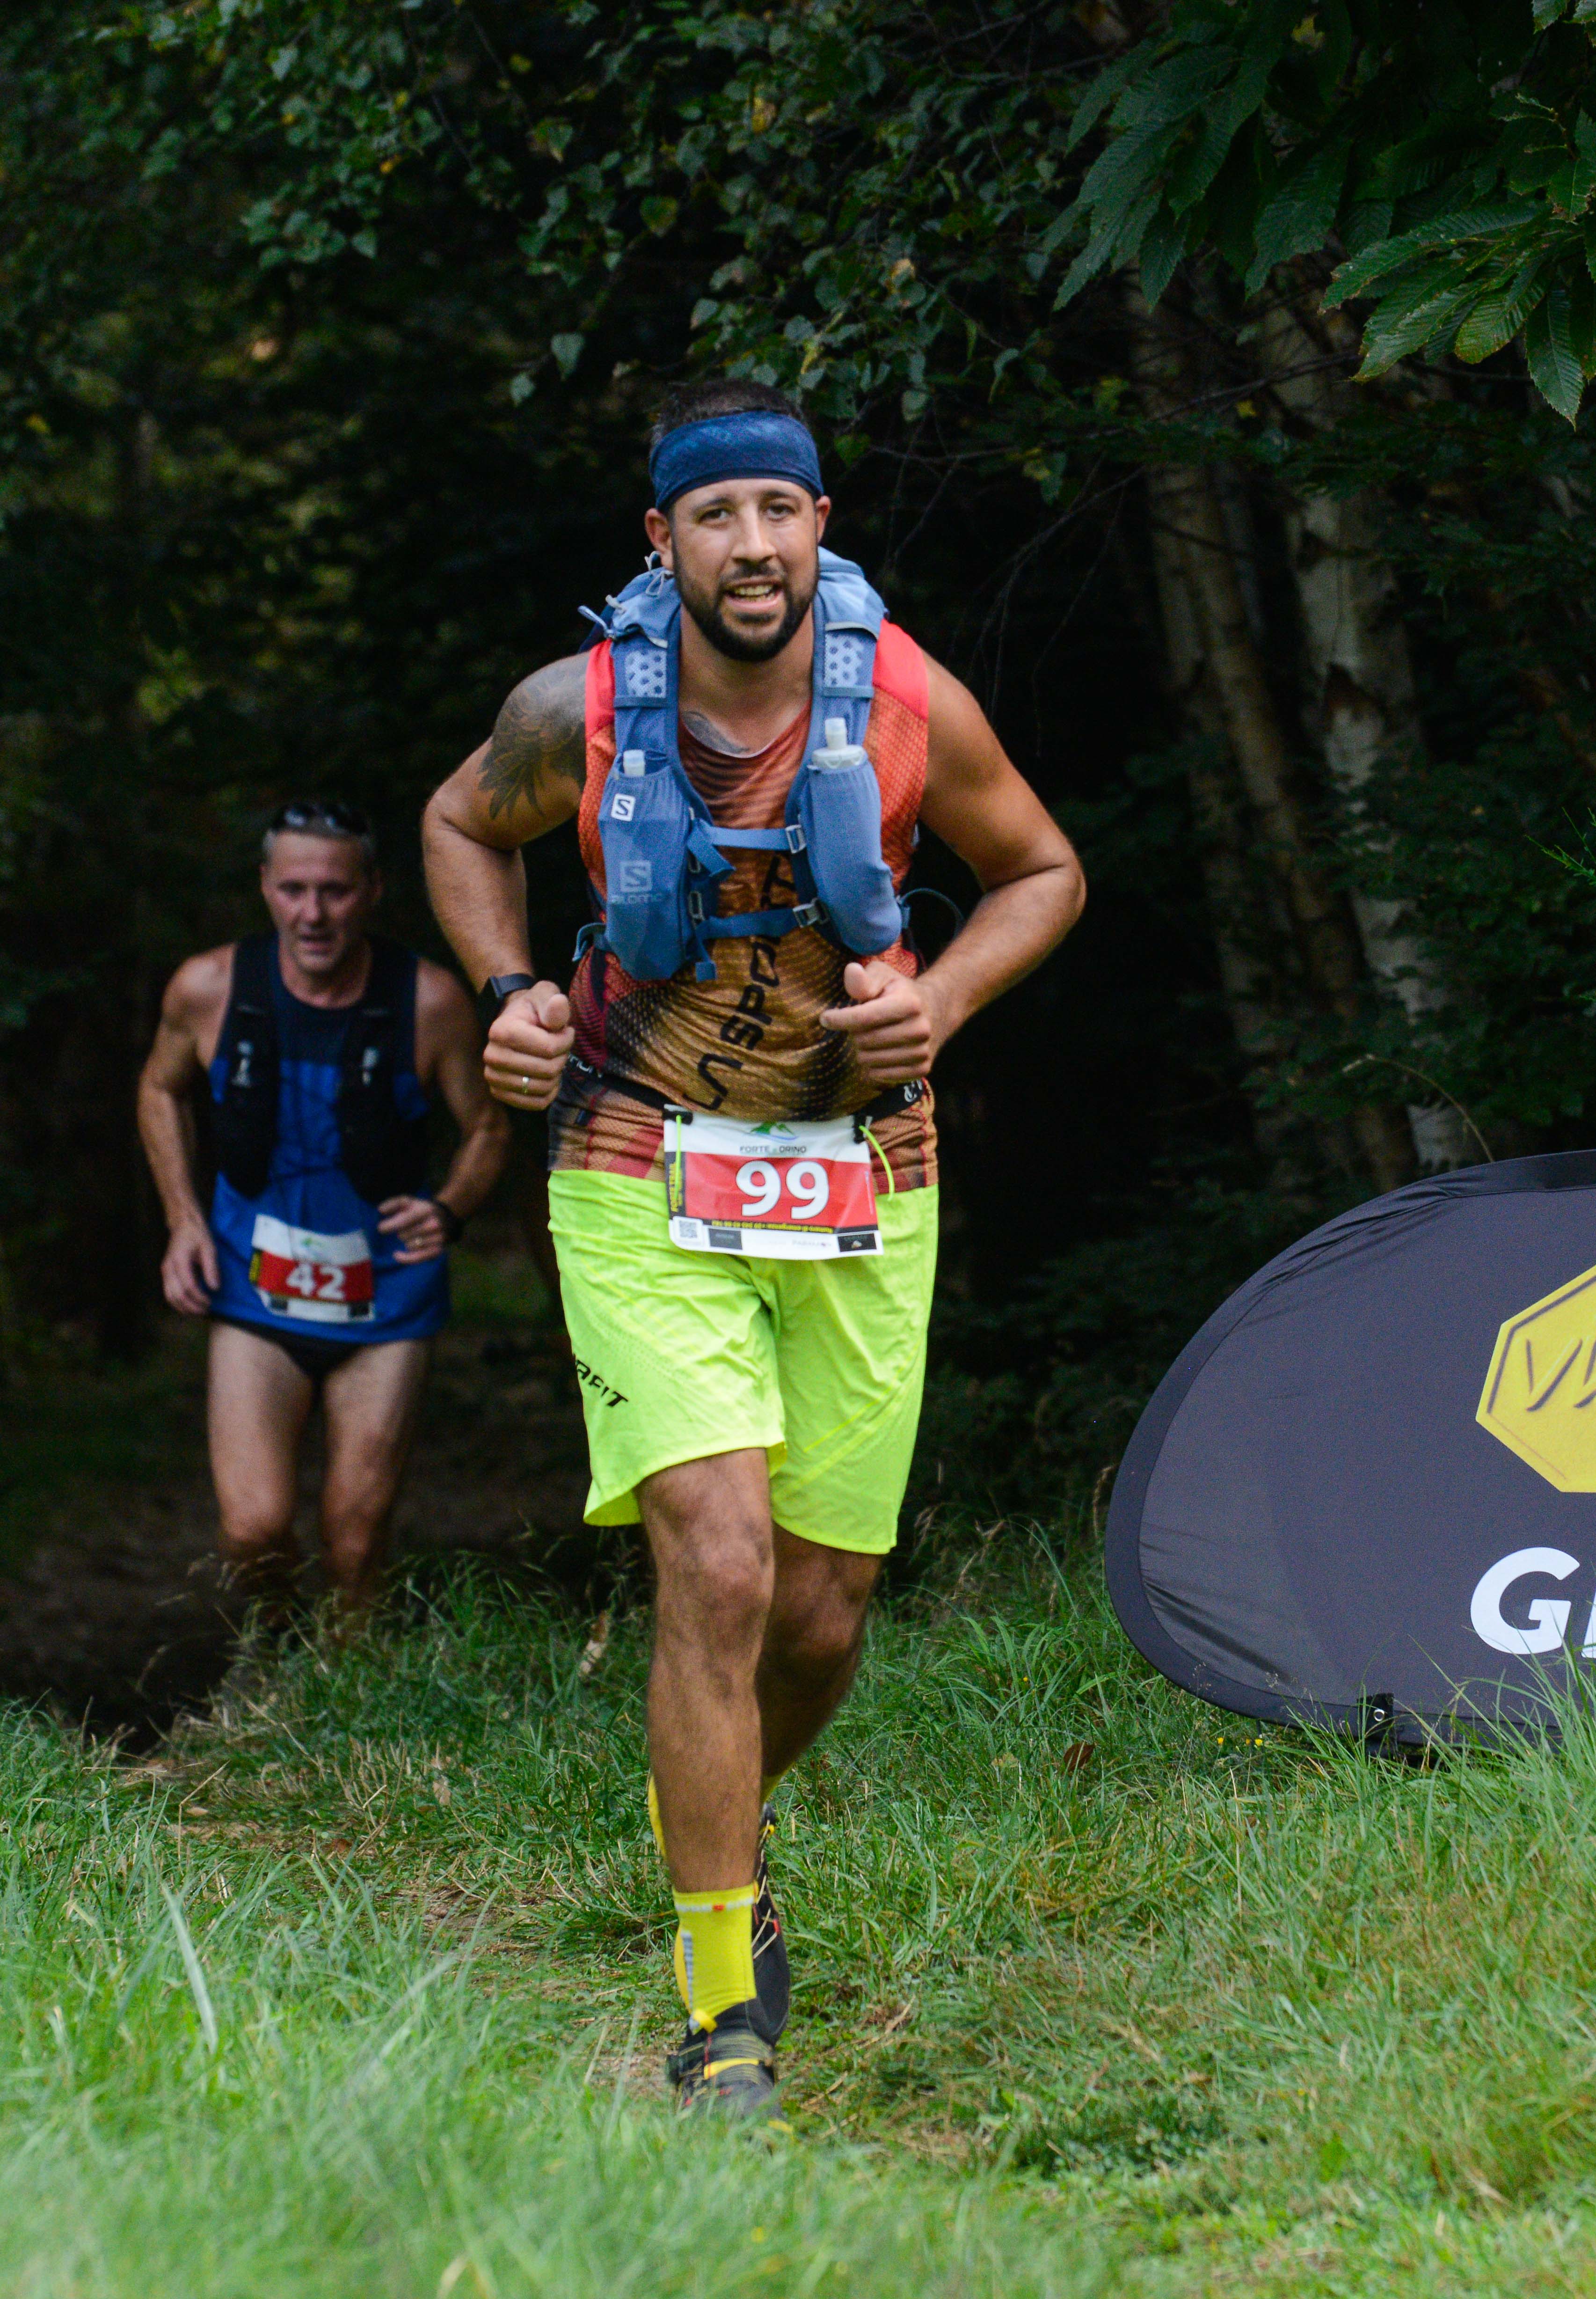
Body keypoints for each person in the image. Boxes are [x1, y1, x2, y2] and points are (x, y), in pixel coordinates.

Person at [420, 380, 1085, 2125]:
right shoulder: (577, 711)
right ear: (663, 542)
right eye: (715, 516)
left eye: (780, 510)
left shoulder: (909, 703)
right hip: (638, 1154)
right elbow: (457, 825)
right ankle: (726, 2005)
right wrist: (511, 993)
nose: (753, 545)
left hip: (865, 1168)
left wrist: (941, 999)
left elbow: (1044, 873)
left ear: (819, 527)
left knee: (820, 1607)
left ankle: (703, 1802)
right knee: (715, 1566)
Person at [139, 801, 509, 1633]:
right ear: (265, 888)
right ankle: (277, 1644)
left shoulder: (429, 1001)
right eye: (294, 890)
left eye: (335, 892)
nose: (313, 914)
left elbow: (489, 1127)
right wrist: (184, 1220)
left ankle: (348, 1678)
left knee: (354, 1537)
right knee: (252, 1529)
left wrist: (450, 1208)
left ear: (372, 892)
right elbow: (159, 1088)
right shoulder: (208, 988)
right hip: (253, 1293)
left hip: (386, 1303)